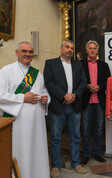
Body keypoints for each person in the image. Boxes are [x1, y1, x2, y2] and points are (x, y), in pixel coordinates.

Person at [0, 41, 50, 178]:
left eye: (30, 52)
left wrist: (46, 99)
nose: (27, 54)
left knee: (36, 150)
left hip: (37, 124)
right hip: (18, 123)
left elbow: (44, 91)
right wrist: (22, 98)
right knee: (21, 150)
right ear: (17, 53)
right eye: (24, 51)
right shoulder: (6, 71)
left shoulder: (38, 74)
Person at [44, 40, 87, 177]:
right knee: (55, 137)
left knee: (75, 135)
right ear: (61, 49)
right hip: (58, 105)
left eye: (72, 48)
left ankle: (76, 163)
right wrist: (64, 95)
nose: (70, 50)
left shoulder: (78, 64)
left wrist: (73, 95)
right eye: (67, 47)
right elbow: (49, 82)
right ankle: (55, 165)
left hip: (74, 105)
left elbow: (83, 82)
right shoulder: (50, 63)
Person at [80, 40, 111, 165]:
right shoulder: (80, 64)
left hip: (99, 100)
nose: (92, 50)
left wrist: (99, 87)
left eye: (94, 48)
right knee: (86, 129)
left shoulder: (104, 65)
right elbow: (77, 80)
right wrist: (87, 86)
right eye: (90, 48)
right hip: (86, 100)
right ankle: (86, 154)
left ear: (97, 51)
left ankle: (97, 153)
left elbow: (108, 81)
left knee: (99, 129)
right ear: (87, 50)